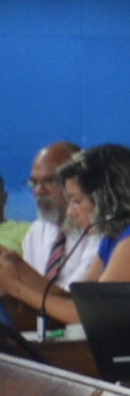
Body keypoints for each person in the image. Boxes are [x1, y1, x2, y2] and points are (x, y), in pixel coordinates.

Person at [0, 144, 130, 326]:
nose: (70, 212)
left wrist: (16, 287)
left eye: (76, 201)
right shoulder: (113, 240)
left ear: (107, 199)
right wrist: (16, 266)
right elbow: (76, 299)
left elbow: (90, 314)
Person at [13, 142, 99, 338]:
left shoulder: (101, 230)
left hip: (83, 341)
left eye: (49, 181)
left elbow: (74, 304)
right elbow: (28, 304)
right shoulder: (37, 231)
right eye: (34, 183)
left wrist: (16, 282)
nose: (38, 191)